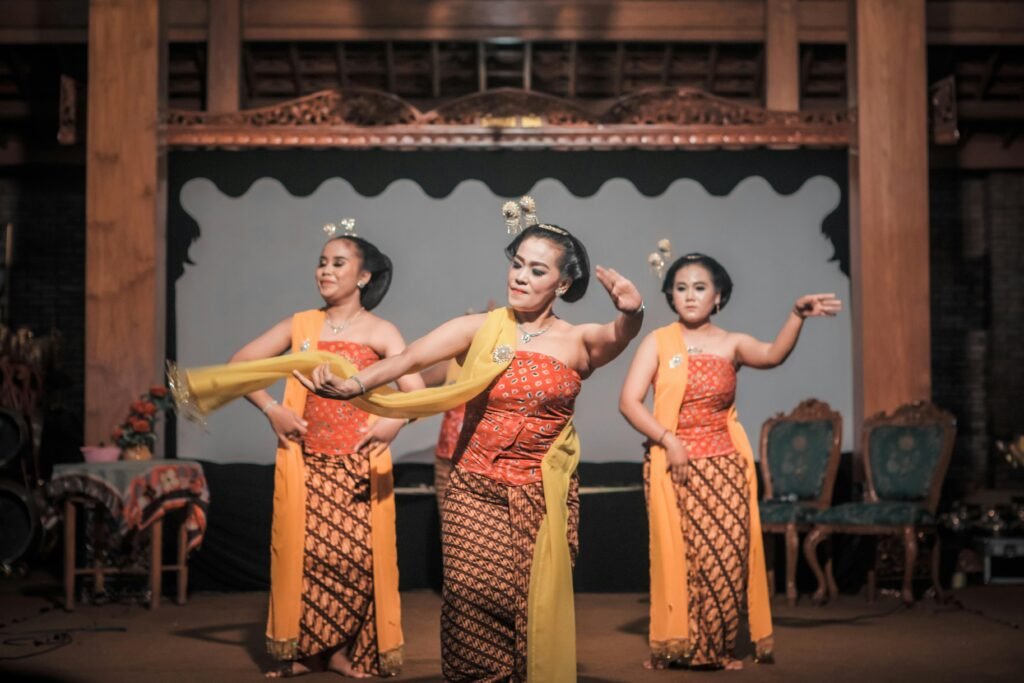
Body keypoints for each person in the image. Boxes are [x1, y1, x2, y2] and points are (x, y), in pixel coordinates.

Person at [291, 199, 644, 683]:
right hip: (474, 488)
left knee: (527, 602)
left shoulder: (577, 340)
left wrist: (633, 312)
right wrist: (354, 385)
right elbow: (410, 358)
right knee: (469, 597)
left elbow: (618, 335)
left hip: (541, 496)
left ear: (561, 284)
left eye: (536, 270)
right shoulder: (480, 328)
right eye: (516, 264)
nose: (519, 276)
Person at [618, 252, 841, 670]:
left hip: (725, 468)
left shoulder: (732, 343)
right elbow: (629, 403)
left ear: (718, 296)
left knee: (725, 559)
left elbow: (773, 355)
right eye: (680, 287)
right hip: (673, 466)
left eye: (699, 287)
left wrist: (797, 315)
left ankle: (715, 650)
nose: (689, 295)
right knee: (681, 560)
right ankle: (677, 645)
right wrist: (670, 440)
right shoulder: (658, 341)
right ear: (670, 295)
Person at [228, 224, 422, 678]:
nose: (325, 270)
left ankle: (341, 650)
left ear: (364, 277)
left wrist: (393, 421)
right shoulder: (301, 326)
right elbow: (239, 366)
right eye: (322, 261)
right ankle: (307, 651)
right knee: (309, 558)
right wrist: (272, 409)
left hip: (359, 467)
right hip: (307, 464)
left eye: (338, 262)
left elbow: (416, 391)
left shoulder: (381, 330)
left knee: (355, 560)